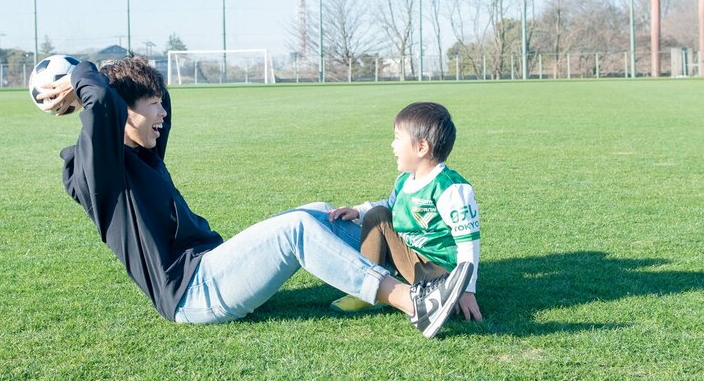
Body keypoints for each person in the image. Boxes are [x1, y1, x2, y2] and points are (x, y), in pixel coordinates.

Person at [42, 57, 473, 339]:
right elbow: (101, 99)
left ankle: (422, 270)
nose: (163, 113)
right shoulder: (99, 174)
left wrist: (108, 73)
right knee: (296, 231)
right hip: (191, 294)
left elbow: (129, 95)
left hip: (214, 265)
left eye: (160, 103)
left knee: (318, 212)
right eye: (152, 106)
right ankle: (414, 303)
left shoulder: (145, 153)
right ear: (123, 113)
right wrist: (81, 75)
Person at [321, 101, 482, 323]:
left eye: (398, 138)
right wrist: (358, 211)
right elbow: (389, 206)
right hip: (412, 260)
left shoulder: (451, 189)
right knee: (377, 215)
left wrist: (467, 289)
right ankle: (367, 292)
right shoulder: (405, 180)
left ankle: (437, 298)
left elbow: (468, 243)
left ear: (421, 148)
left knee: (380, 217)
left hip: (441, 271)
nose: (392, 145)